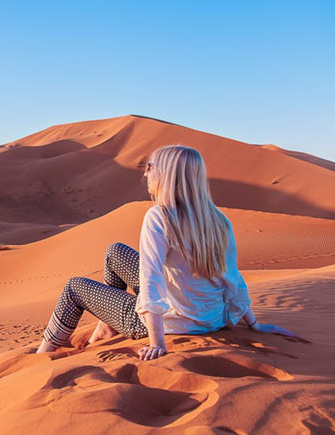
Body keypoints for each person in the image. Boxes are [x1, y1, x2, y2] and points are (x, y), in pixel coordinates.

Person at [36, 145, 301, 359]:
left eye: (151, 167)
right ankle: (106, 327)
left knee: (74, 288)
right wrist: (254, 323)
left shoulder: (160, 217)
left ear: (166, 175)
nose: (146, 173)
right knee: (115, 252)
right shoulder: (218, 219)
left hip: (171, 322)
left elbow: (151, 280)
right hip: (211, 317)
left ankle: (42, 356)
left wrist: (157, 343)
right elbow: (232, 277)